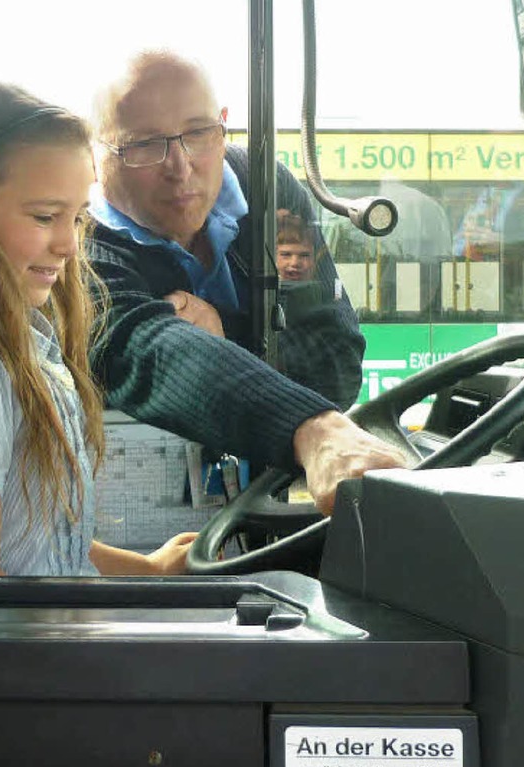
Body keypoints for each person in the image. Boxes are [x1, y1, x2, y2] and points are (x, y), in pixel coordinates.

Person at [88, 49, 406, 515]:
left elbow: (335, 363)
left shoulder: (267, 189)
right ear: (95, 153)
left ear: (222, 126)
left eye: (198, 133)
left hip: (264, 501)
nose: (179, 166)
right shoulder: (77, 235)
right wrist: (311, 429)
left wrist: (224, 332)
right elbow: (143, 349)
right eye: (142, 145)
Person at [0, 79, 196, 576]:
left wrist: (151, 570)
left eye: (77, 218)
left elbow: (45, 543)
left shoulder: (24, 349)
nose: (70, 246)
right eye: (46, 216)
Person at [275, 209, 318, 282]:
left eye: (304, 255)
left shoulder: (327, 290)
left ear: (314, 260)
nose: (295, 263)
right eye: (286, 254)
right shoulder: (264, 292)